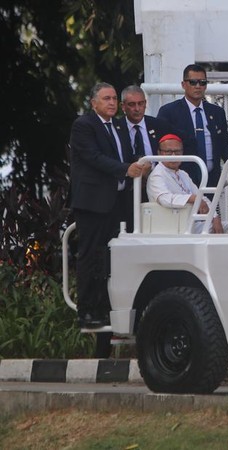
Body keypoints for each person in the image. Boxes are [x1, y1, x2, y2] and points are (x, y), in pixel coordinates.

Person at [69, 82, 149, 331]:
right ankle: (87, 311)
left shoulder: (117, 126)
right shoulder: (84, 125)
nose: (112, 103)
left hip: (116, 203)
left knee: (109, 259)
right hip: (93, 204)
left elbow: (125, 157)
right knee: (90, 257)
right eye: (106, 98)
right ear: (94, 103)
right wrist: (126, 169)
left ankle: (104, 309)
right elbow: (94, 157)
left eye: (114, 98)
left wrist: (144, 165)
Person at [157, 64, 228, 188]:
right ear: (183, 84)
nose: (198, 86)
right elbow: (162, 146)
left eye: (202, 82)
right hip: (181, 179)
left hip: (211, 179)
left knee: (210, 208)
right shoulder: (169, 111)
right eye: (193, 82)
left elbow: (224, 145)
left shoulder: (217, 112)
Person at [147, 134, 224, 234]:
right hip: (171, 225)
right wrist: (192, 198)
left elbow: (201, 196)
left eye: (177, 151)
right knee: (213, 230)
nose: (173, 156)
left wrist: (215, 217)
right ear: (160, 153)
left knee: (227, 226)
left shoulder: (183, 174)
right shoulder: (157, 175)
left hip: (189, 223)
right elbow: (164, 198)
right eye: (169, 152)